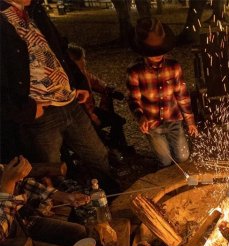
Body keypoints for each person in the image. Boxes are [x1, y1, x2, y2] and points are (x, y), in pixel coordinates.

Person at [0, 0, 117, 192]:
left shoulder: (34, 10)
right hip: (40, 112)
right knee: (50, 170)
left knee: (97, 154)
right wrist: (26, 109)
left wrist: (78, 81)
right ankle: (66, 213)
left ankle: (112, 198)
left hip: (69, 101)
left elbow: (59, 49)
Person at [0, 156, 90, 246]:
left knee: (81, 233)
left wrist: (61, 196)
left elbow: (21, 183)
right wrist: (7, 186)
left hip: (25, 221)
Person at [127, 17, 198, 168]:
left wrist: (190, 121)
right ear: (143, 51)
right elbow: (134, 100)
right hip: (153, 125)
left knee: (183, 156)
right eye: (152, 51)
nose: (158, 54)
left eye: (161, 49)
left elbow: (182, 96)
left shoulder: (174, 67)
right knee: (166, 161)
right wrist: (141, 117)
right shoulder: (135, 71)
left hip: (173, 121)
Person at [67, 44, 133, 161]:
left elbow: (97, 83)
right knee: (96, 132)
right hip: (79, 117)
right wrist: (91, 117)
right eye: (83, 58)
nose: (85, 61)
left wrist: (109, 89)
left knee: (117, 120)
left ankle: (117, 147)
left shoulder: (84, 74)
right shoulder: (68, 80)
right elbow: (75, 105)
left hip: (91, 110)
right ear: (74, 61)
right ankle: (106, 151)